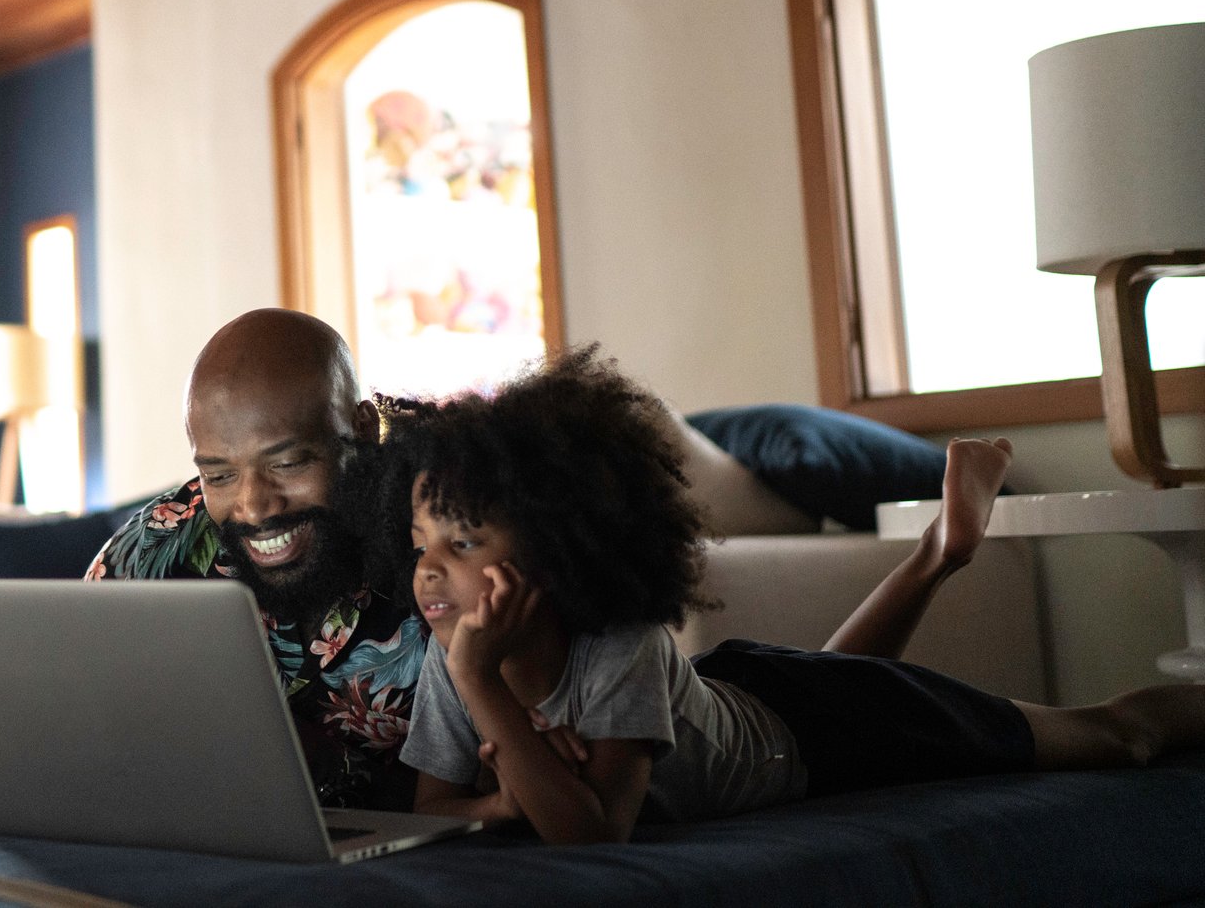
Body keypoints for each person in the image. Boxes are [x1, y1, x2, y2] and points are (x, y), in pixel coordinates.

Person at [381, 347, 1205, 843]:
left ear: (560, 549)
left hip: (803, 723)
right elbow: (436, 809)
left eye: (462, 544)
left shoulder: (612, 645)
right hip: (761, 705)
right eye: (421, 547)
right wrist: (503, 796)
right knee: (838, 684)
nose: (428, 572)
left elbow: (590, 832)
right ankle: (938, 553)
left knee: (1112, 739)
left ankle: (948, 557)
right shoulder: (450, 659)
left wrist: (486, 696)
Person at [87, 308, 428, 809]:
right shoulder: (166, 540)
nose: (253, 506)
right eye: (219, 476)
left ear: (361, 429)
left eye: (287, 464)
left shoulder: (440, 548)